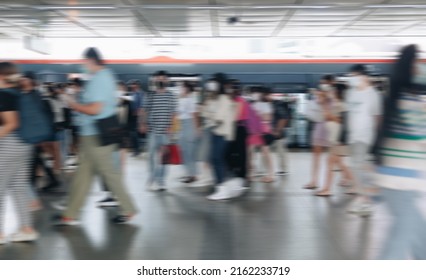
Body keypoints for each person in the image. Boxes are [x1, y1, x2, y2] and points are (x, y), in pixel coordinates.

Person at [52, 47, 137, 225]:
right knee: (83, 175)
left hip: (97, 136)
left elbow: (95, 109)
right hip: (91, 135)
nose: (82, 66)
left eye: (84, 62)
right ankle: (70, 213)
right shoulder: (103, 76)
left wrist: (73, 104)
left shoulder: (100, 79)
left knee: (109, 174)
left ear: (91, 60)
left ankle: (128, 209)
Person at [373, 44, 426, 259]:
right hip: (401, 178)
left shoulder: (394, 97)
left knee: (419, 234)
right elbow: (422, 134)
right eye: (417, 63)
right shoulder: (408, 100)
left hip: (397, 176)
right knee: (401, 235)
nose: (420, 67)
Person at [0, 62, 39, 243]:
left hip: (9, 145)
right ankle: (26, 228)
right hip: (24, 144)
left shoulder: (4, 94)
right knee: (18, 187)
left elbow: (11, 123)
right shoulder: (19, 92)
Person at [345, 64, 382, 216]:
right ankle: (363, 198)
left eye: (354, 76)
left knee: (358, 166)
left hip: (365, 136)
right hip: (352, 136)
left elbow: (377, 117)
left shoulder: (372, 94)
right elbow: (349, 114)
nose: (352, 79)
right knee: (357, 167)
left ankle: (365, 200)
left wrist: (375, 137)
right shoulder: (350, 93)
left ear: (364, 76)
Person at [140, 70, 177, 191]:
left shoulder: (171, 96)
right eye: (158, 79)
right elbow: (144, 111)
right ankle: (152, 177)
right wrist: (142, 123)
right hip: (152, 131)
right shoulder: (150, 95)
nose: (160, 81)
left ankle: (161, 180)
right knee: (151, 156)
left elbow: (173, 113)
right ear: (155, 80)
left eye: (163, 79)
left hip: (165, 131)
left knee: (164, 157)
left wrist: (172, 127)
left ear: (167, 81)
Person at [315, 83, 354, 197]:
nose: (331, 92)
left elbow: (340, 120)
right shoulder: (338, 104)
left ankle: (327, 189)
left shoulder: (343, 105)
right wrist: (324, 105)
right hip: (335, 139)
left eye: (333, 91)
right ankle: (356, 185)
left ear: (338, 92)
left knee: (332, 163)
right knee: (339, 164)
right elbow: (328, 116)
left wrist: (326, 110)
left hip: (338, 140)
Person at [207, 74, 239, 200]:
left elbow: (218, 117)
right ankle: (221, 187)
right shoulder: (216, 98)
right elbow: (207, 112)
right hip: (216, 132)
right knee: (215, 159)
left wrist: (210, 115)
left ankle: (222, 188)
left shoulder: (224, 99)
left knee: (217, 159)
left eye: (213, 82)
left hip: (222, 133)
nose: (211, 85)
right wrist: (210, 114)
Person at [303, 76, 334, 190]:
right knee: (316, 155)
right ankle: (314, 180)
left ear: (331, 83)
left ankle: (345, 179)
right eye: (322, 83)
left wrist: (326, 99)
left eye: (326, 83)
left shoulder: (334, 95)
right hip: (319, 126)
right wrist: (319, 98)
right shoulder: (319, 96)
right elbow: (314, 109)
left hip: (332, 128)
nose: (323, 85)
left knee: (334, 158)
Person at [249, 87, 275, 183]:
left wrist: (256, 115)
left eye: (255, 93)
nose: (254, 95)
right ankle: (252, 172)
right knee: (250, 152)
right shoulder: (252, 104)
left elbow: (268, 118)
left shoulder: (265, 105)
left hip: (263, 130)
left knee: (266, 153)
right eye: (252, 93)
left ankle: (271, 174)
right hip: (254, 130)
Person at [177, 81, 200, 184]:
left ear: (186, 88)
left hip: (189, 125)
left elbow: (195, 115)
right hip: (182, 125)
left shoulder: (191, 100)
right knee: (183, 151)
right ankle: (188, 173)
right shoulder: (181, 100)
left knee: (190, 152)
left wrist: (196, 129)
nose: (180, 89)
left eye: (181, 87)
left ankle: (193, 175)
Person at [270, 95, 291, 176]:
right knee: (279, 151)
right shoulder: (274, 105)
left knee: (281, 151)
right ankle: (283, 169)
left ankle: (284, 169)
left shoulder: (277, 105)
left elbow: (283, 118)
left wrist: (278, 130)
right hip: (272, 132)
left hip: (278, 133)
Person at [128, 80, 144, 157]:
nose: (131, 86)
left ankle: (137, 150)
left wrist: (139, 114)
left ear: (137, 85)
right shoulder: (133, 93)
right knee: (133, 133)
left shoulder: (140, 93)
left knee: (134, 134)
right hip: (132, 116)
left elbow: (142, 105)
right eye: (131, 85)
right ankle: (136, 149)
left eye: (133, 85)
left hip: (138, 116)